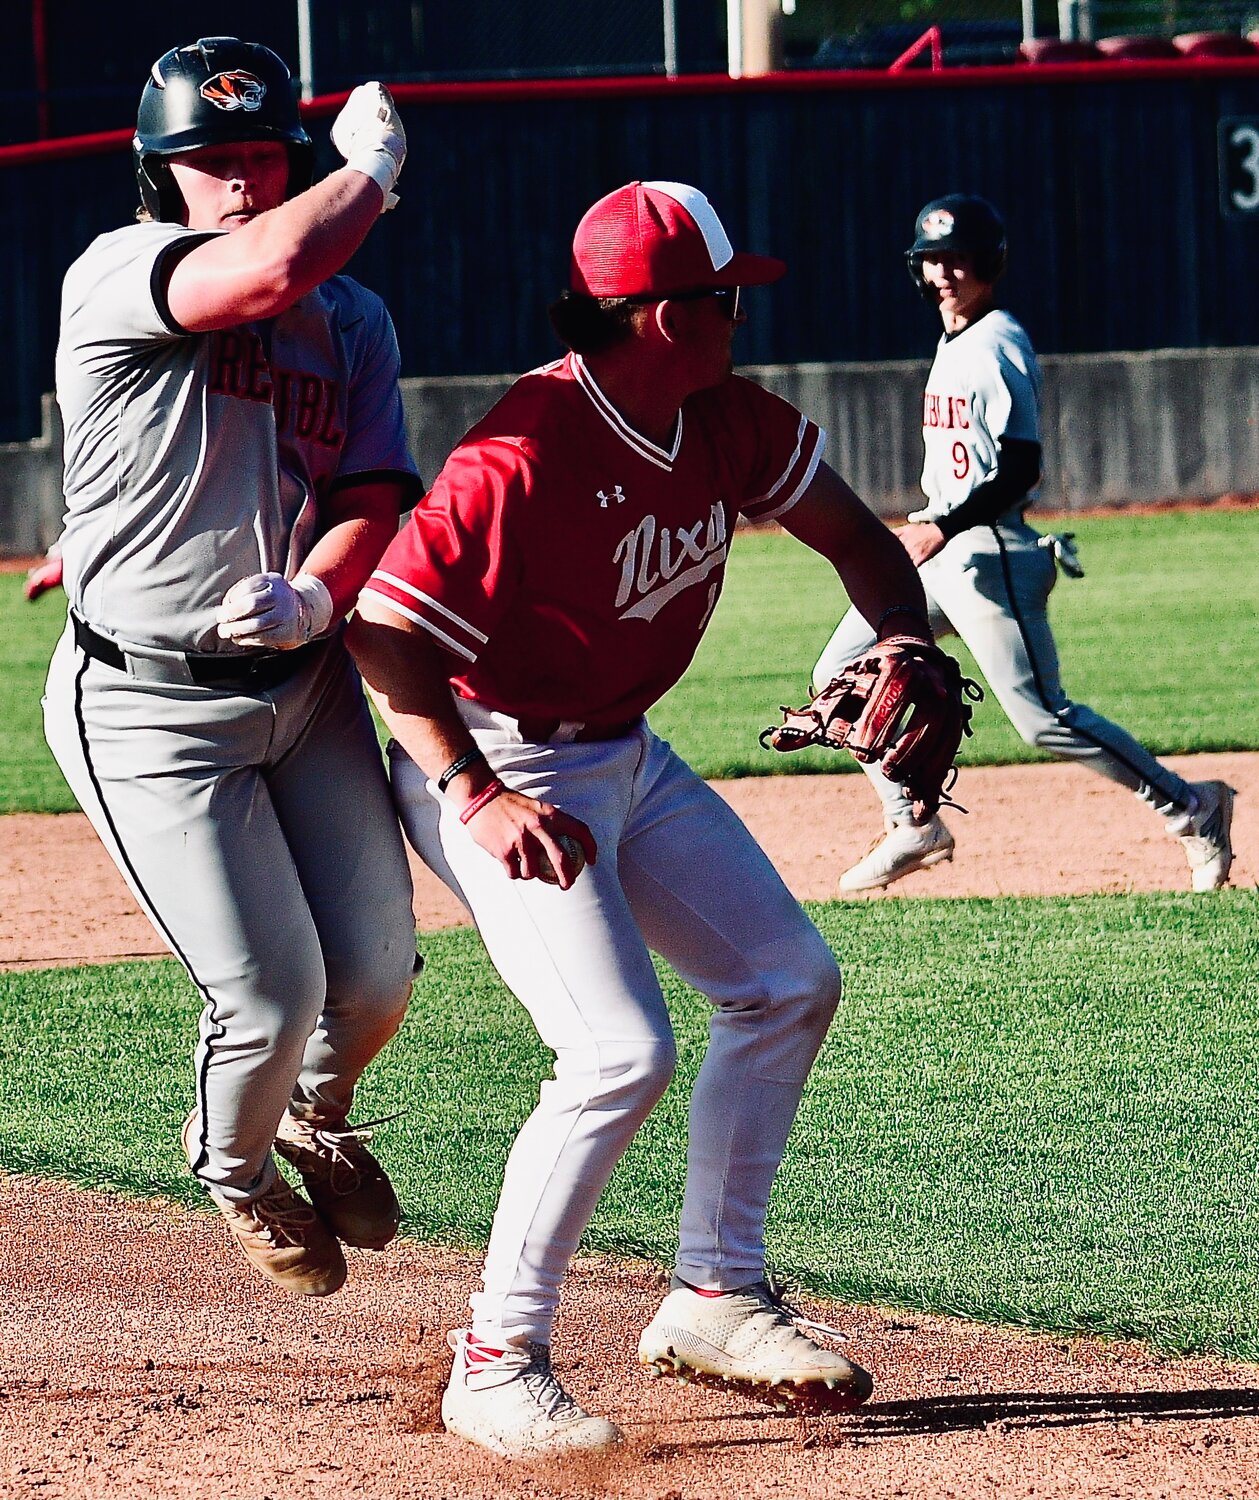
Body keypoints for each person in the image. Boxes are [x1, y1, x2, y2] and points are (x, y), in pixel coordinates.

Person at [348, 179, 951, 1457]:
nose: (746, 317)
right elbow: (386, 636)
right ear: (663, 312)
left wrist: (898, 631)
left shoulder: (721, 418)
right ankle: (494, 1361)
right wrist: (474, 792)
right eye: (730, 298)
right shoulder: (521, 453)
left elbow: (858, 538)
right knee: (617, 1054)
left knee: (786, 979)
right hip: (497, 756)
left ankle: (715, 1298)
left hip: (622, 752)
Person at [42, 38, 421, 1298]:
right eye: (211, 163)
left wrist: (323, 591)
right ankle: (236, 1172)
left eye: (265, 155)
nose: (244, 183)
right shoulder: (117, 272)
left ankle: (320, 1117)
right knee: (266, 996)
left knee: (368, 982)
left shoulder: (354, 320)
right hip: (147, 699)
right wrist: (366, 172)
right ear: (161, 180)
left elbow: (371, 486)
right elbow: (262, 272)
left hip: (299, 686)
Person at [815, 193, 1236, 894]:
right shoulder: (956, 339)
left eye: (959, 258)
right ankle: (911, 824)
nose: (945, 272)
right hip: (937, 550)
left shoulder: (995, 341)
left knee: (1042, 719)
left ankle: (1192, 808)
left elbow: (1020, 465)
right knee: (841, 676)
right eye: (933, 260)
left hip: (987, 551)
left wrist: (940, 527)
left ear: (990, 263)